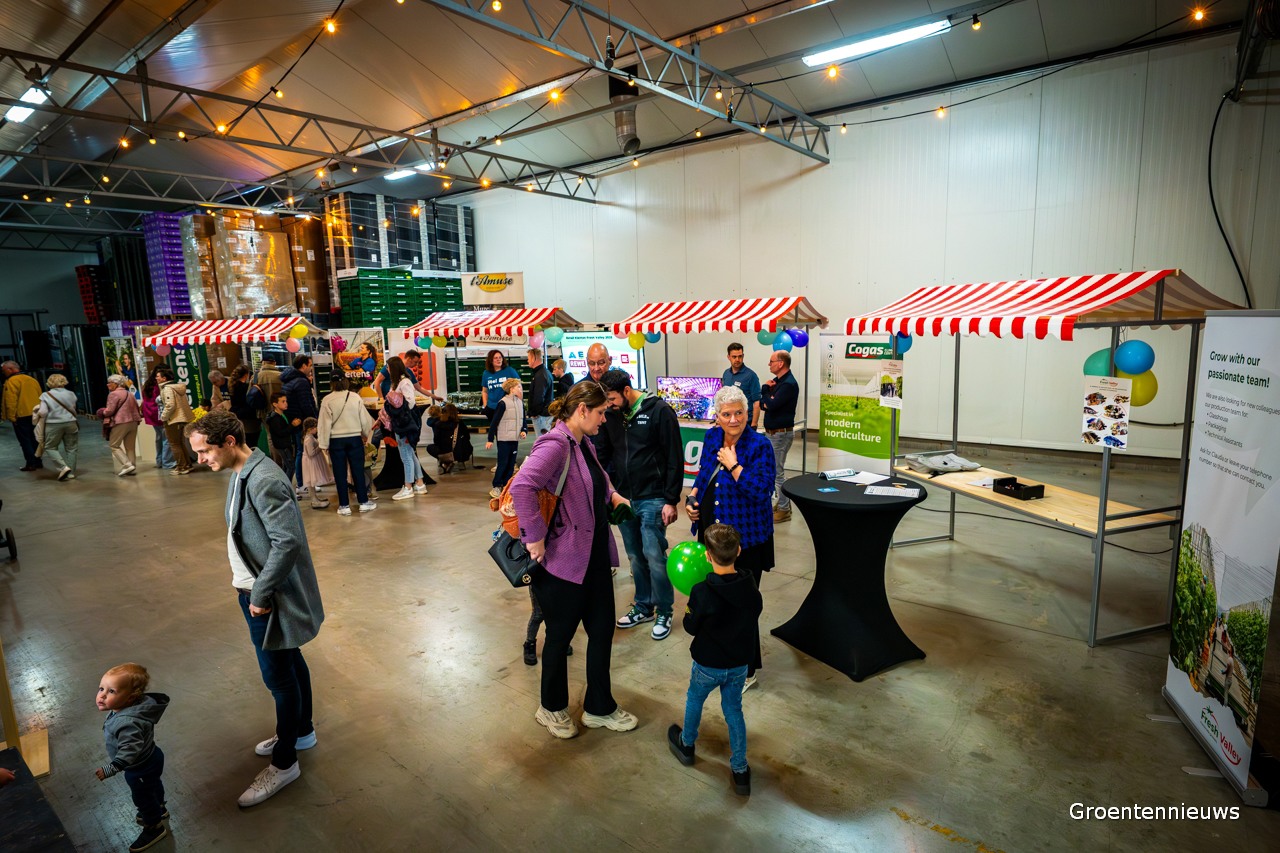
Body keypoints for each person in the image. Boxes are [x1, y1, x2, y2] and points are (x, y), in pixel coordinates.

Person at [186, 409, 325, 808]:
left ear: (230, 442)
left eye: (205, 451)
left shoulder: (263, 479)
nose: (201, 459)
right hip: (256, 591)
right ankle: (301, 732)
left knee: (278, 678)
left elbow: (287, 542)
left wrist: (260, 595)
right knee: (290, 661)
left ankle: (285, 763)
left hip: (266, 598)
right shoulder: (241, 472)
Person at [510, 382, 635, 740]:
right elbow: (522, 487)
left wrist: (614, 496)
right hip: (562, 562)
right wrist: (534, 536)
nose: (603, 419)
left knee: (601, 632)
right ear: (582, 411)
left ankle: (599, 707)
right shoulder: (555, 444)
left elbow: (600, 478)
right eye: (600, 413)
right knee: (559, 636)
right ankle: (550, 708)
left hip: (594, 558)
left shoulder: (583, 442)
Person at [686, 385, 775, 693]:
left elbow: (762, 491)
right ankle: (723, 659)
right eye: (727, 414)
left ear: (748, 413)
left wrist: (734, 466)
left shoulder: (760, 445)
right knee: (717, 602)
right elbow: (703, 473)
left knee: (743, 607)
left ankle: (747, 670)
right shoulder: (712, 437)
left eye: (739, 413)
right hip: (712, 535)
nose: (734, 420)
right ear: (717, 416)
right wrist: (693, 498)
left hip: (746, 540)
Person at [667, 523, 762, 796]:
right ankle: (740, 769)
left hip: (707, 665)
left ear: (707, 556)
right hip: (738, 665)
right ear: (739, 551)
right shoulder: (750, 587)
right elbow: (754, 614)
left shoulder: (701, 591)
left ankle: (687, 745)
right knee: (733, 710)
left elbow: (690, 626)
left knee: (695, 700)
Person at [599, 369, 684, 641]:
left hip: (653, 497)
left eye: (612, 398)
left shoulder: (659, 411)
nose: (609, 404)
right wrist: (610, 491)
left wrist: (671, 499)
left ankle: (664, 611)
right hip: (623, 498)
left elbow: (674, 456)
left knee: (654, 556)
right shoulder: (611, 414)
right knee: (635, 556)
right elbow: (604, 454)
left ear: (626, 391)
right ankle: (644, 606)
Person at [95, 662, 171, 852]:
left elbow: (129, 750)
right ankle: (160, 808)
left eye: (111, 691)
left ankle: (154, 826)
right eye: (101, 688)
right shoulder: (131, 708)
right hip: (152, 756)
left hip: (139, 768)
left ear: (130, 698)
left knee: (142, 798)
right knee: (153, 785)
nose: (102, 695)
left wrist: (111, 768)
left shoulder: (127, 722)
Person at [317, 376, 376, 516]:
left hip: (336, 441)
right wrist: (365, 434)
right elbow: (365, 420)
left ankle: (344, 505)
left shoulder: (327, 400)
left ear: (331, 383)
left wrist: (324, 444)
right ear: (345, 381)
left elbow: (324, 424)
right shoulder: (355, 397)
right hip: (354, 439)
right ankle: (363, 502)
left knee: (340, 474)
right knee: (358, 471)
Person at [759, 350, 800, 523]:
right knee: (774, 471)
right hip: (773, 433)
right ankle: (783, 504)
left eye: (771, 361)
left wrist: (765, 390)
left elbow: (772, 404)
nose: (769, 364)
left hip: (780, 435)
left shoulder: (788, 384)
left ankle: (784, 509)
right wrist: (767, 397)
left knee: (777, 473)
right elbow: (764, 404)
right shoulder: (778, 382)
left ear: (781, 363)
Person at [384, 355, 428, 501]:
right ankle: (420, 483)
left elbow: (410, 402)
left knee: (406, 456)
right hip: (401, 423)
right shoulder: (397, 383)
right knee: (410, 453)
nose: (387, 369)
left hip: (404, 425)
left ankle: (408, 487)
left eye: (388, 367)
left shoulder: (404, 382)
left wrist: (397, 411)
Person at [281, 355, 319, 492]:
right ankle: (303, 484)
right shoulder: (301, 382)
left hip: (295, 422)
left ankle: (304, 483)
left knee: (300, 451)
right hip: (303, 423)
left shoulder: (289, 380)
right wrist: (313, 421)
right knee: (303, 453)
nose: (311, 368)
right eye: (310, 365)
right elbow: (306, 404)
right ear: (303, 366)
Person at [485, 377, 528, 499]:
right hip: (504, 439)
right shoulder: (502, 403)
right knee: (503, 463)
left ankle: (506, 486)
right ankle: (496, 486)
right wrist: (490, 439)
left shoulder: (520, 403)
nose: (520, 389)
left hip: (515, 439)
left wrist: (524, 430)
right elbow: (494, 422)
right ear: (511, 389)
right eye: (518, 387)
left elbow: (523, 420)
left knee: (511, 464)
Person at [35, 373, 81, 481]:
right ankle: (71, 473)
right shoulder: (71, 394)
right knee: (71, 448)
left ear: (50, 383)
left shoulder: (46, 395)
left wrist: (37, 413)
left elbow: (43, 412)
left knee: (50, 447)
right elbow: (73, 408)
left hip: (53, 424)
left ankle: (63, 467)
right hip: (71, 422)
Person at [2, 360, 45, 471]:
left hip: (21, 416)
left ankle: (31, 464)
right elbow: (40, 396)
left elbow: (11, 401)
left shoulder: (11, 381)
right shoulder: (32, 379)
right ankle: (38, 462)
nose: (3, 373)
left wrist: (11, 417)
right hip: (35, 414)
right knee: (35, 439)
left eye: (3, 370)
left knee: (25, 441)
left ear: (10, 369)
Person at [99, 373, 141, 475]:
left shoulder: (113, 394)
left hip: (120, 422)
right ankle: (132, 467)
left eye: (110, 383)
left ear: (116, 383)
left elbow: (109, 411)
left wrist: (102, 412)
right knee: (130, 447)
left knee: (114, 445)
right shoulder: (129, 393)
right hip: (133, 422)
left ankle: (127, 465)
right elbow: (136, 407)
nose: (108, 385)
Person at [157, 367, 194, 475]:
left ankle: (181, 467)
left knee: (174, 444)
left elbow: (170, 405)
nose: (156, 378)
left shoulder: (167, 389)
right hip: (182, 419)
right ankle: (187, 464)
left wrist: (163, 417)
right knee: (180, 443)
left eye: (158, 376)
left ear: (164, 378)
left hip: (173, 420)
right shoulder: (177, 387)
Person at [140, 365, 176, 470]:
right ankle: (167, 462)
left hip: (150, 414)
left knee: (159, 438)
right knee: (167, 439)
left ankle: (160, 461)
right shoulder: (160, 386)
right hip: (160, 414)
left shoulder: (148, 384)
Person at [721, 342, 762, 428]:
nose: (737, 359)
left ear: (743, 356)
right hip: (729, 421)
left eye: (740, 356)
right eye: (734, 357)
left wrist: (754, 424)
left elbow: (757, 402)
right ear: (728, 357)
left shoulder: (751, 376)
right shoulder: (726, 374)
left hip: (746, 422)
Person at [300, 418, 332, 510]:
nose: (317, 429)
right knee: (311, 481)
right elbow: (311, 453)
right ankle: (314, 501)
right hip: (311, 462)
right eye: (315, 427)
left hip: (312, 461)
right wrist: (320, 446)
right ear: (310, 428)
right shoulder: (308, 439)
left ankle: (315, 498)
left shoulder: (310, 436)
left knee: (312, 482)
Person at [228, 365, 262, 452]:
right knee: (252, 443)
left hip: (238, 416)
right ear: (246, 375)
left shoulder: (232, 386)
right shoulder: (247, 387)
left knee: (244, 443)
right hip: (250, 418)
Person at [480, 349, 520, 419]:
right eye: (495, 358)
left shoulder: (510, 371)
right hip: (491, 408)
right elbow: (484, 391)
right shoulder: (486, 373)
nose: (498, 359)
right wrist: (485, 405)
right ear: (491, 360)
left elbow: (519, 388)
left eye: (500, 357)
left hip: (506, 407)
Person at [265, 392, 294, 476]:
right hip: (283, 445)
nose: (286, 403)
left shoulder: (282, 415)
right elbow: (280, 432)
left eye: (286, 401)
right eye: (283, 401)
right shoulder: (275, 419)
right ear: (275, 404)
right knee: (290, 467)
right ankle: (286, 483)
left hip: (285, 444)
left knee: (286, 466)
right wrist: (292, 425)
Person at [526, 348, 554, 436]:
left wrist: (534, 412)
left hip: (541, 416)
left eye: (528, 358)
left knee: (542, 440)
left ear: (533, 358)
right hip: (543, 414)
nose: (527, 361)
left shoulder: (540, 375)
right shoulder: (543, 373)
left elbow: (539, 395)